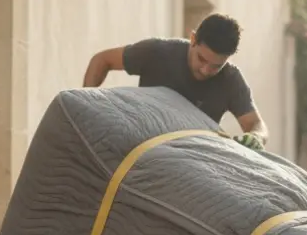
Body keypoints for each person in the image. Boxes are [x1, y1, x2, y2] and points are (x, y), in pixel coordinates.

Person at [82, 13, 269, 151]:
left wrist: (255, 137)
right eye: (202, 59)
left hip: (191, 158)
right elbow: (102, 60)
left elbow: (256, 125)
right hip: (140, 145)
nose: (206, 71)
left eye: (216, 66)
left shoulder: (231, 79)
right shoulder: (157, 52)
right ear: (193, 39)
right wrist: (87, 107)